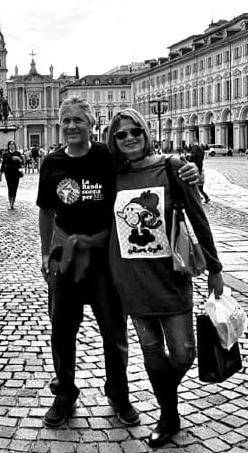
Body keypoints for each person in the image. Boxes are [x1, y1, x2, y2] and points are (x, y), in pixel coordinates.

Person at [37, 97, 199, 430]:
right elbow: (46, 211)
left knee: (114, 333)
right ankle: (65, 392)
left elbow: (147, 171)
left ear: (92, 125)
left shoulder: (108, 159)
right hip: (65, 258)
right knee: (62, 331)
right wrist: (44, 252)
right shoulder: (51, 163)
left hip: (106, 258)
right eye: (66, 120)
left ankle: (119, 393)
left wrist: (188, 169)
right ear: (59, 124)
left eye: (78, 120)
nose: (71, 126)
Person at [106, 108, 224, 448]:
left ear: (145, 133)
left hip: (170, 277)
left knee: (184, 352)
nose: (129, 138)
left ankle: (165, 401)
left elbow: (198, 220)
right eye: (120, 134)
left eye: (135, 132)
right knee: (152, 351)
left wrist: (215, 269)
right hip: (130, 279)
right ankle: (169, 416)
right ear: (113, 141)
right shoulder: (112, 174)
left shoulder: (171, 168)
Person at [0, 140, 23, 210]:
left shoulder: (18, 153)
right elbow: (3, 165)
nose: (12, 146)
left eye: (13, 144)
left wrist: (18, 158)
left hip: (16, 173)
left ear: (15, 146)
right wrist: (0, 175)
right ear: (8, 146)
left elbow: (22, 162)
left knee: (15, 188)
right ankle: (10, 204)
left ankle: (13, 204)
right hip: (8, 173)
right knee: (10, 188)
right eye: (10, 144)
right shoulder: (6, 155)